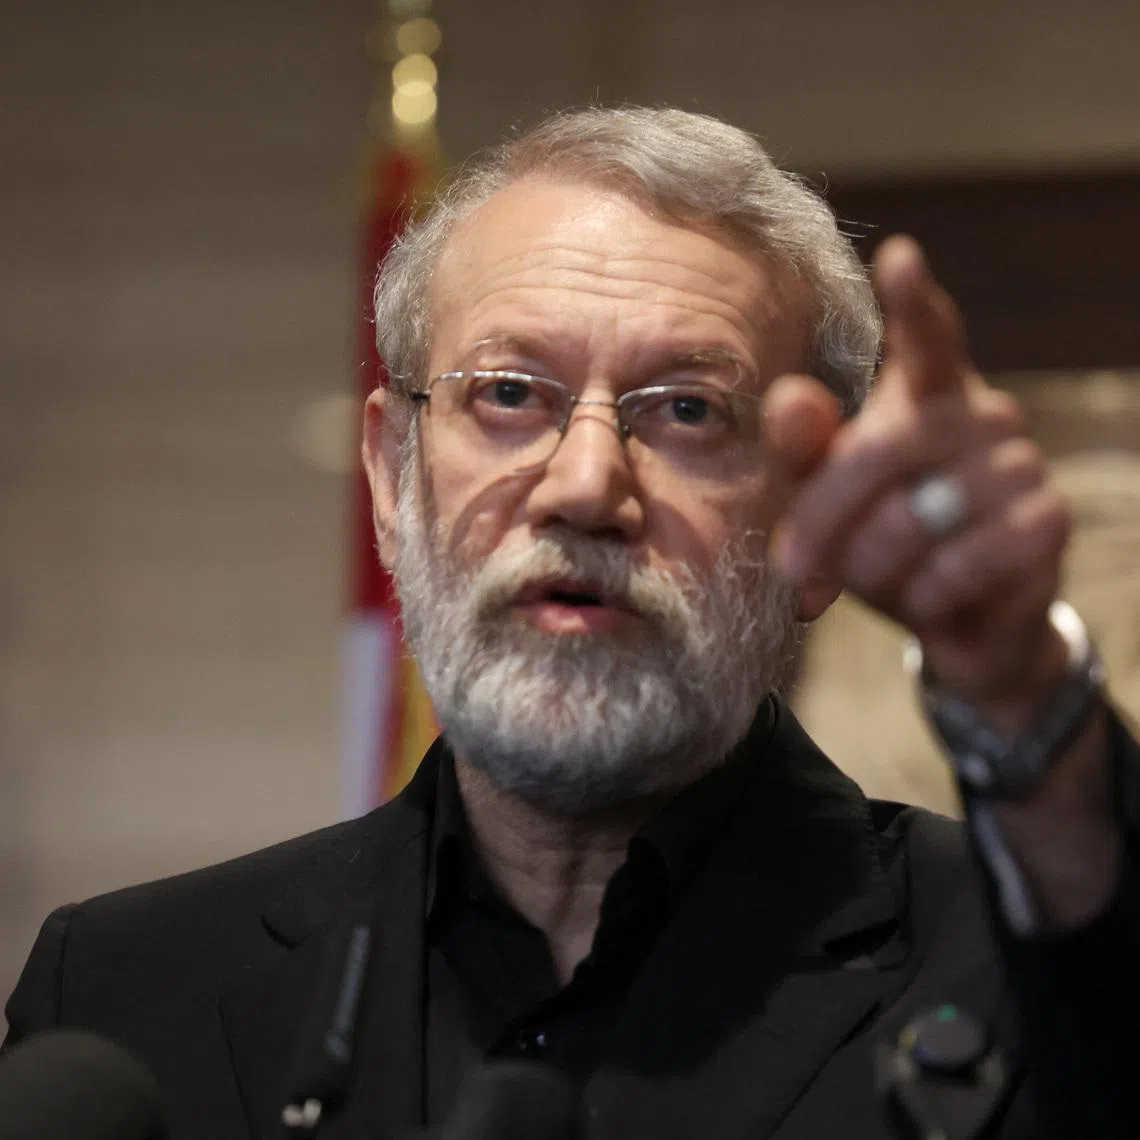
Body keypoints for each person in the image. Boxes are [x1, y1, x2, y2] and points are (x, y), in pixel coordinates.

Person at [5, 107, 1139, 1140]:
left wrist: (1027, 699)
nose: (586, 485)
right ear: (393, 476)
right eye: (509, 393)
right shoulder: (122, 996)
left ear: (813, 515)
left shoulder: (1015, 972)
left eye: (687, 409)